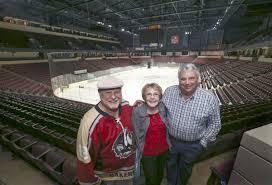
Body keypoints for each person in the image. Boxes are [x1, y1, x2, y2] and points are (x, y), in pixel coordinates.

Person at [162, 63, 221, 185]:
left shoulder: (209, 98)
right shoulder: (169, 92)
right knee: (170, 165)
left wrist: (202, 143)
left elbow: (215, 124)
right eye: (183, 79)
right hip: (170, 141)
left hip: (193, 145)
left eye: (191, 78)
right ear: (179, 79)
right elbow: (160, 112)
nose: (187, 82)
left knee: (186, 168)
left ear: (198, 79)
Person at [76, 76, 135, 185]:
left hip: (129, 174)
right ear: (100, 95)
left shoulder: (126, 107)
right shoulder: (90, 122)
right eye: (108, 93)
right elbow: (84, 156)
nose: (113, 97)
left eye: (117, 92)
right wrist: (91, 182)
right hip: (107, 179)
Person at [132, 83, 169, 185]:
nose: (152, 97)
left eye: (155, 94)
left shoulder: (163, 107)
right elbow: (136, 133)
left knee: (160, 175)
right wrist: (142, 149)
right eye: (149, 94)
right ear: (144, 97)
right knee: (151, 180)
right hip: (148, 153)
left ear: (160, 97)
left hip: (164, 150)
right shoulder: (137, 111)